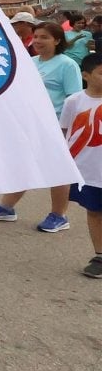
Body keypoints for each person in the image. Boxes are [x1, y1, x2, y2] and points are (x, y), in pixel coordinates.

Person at [0, 22, 82, 232]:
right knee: (22, 163)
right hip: (30, 124)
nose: (37, 41)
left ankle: (59, 215)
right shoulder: (30, 62)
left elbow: (74, 100)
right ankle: (7, 208)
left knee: (59, 170)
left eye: (44, 37)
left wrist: (66, 130)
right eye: (36, 37)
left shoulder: (67, 65)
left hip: (56, 126)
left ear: (57, 40)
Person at [60, 53, 102, 278]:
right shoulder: (74, 101)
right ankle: (99, 255)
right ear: (86, 75)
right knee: (94, 212)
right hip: (88, 170)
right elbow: (64, 132)